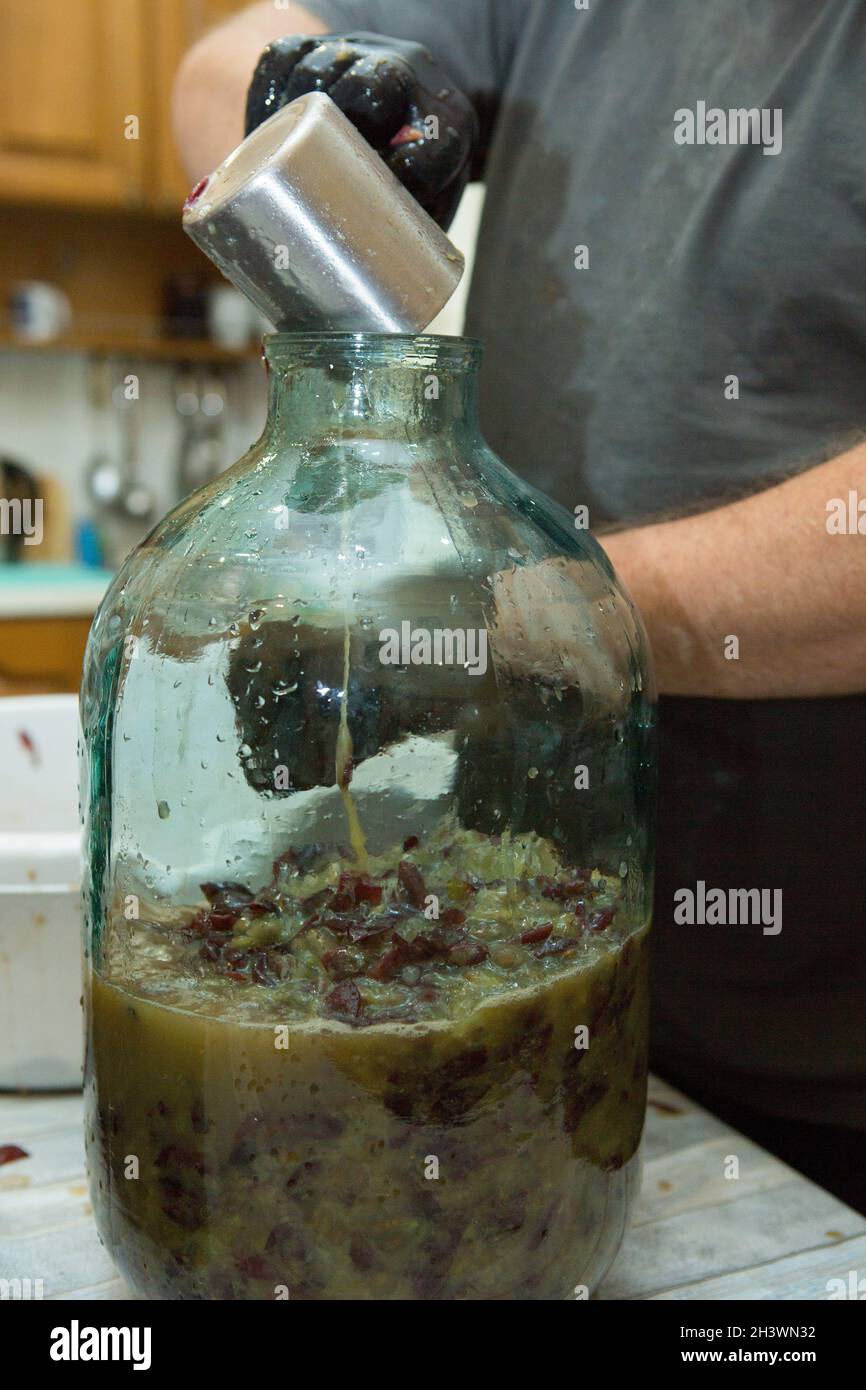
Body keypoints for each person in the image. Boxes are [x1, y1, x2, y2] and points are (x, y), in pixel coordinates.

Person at [174, 1, 866, 1211]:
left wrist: (498, 632)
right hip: (532, 994)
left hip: (827, 1046)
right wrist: (308, 105)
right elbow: (208, 68)